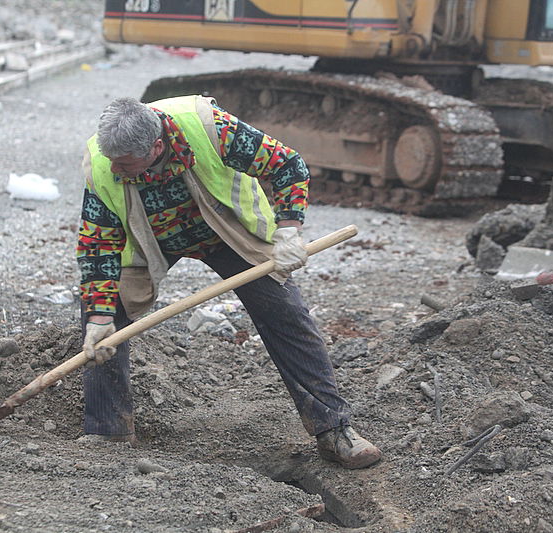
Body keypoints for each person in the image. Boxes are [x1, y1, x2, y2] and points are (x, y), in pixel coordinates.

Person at [75, 95, 381, 469]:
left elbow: (287, 165)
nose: (116, 169)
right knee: (105, 317)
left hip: (225, 229)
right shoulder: (104, 165)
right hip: (149, 236)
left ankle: (334, 429)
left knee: (284, 311)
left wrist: (288, 231)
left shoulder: (210, 128)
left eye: (125, 164)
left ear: (156, 147)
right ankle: (109, 430)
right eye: (113, 161)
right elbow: (98, 244)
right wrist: (99, 318)